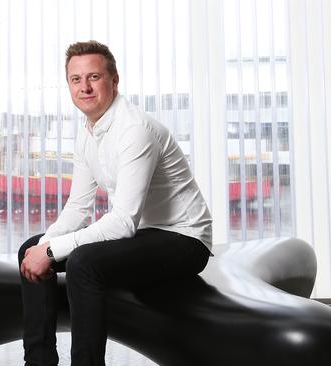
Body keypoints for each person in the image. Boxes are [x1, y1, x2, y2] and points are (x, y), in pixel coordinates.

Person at [18, 40, 213, 366]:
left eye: (94, 77)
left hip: (184, 239)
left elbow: (123, 222)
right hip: (144, 235)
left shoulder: (135, 129)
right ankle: (38, 362)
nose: (85, 87)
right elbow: (78, 207)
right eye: (76, 79)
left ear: (114, 80)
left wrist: (52, 252)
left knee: (82, 263)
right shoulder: (88, 131)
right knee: (31, 245)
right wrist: (45, 245)